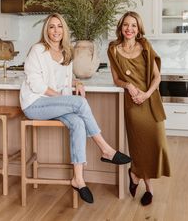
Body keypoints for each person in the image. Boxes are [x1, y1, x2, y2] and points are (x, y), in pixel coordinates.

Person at [20, 13, 131, 204]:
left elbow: (62, 79)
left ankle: (78, 179)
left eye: (59, 26)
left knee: (78, 122)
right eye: (51, 27)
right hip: (35, 104)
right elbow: (37, 84)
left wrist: (76, 82)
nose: (56, 31)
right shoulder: (38, 50)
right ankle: (106, 149)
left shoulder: (67, 53)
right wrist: (66, 99)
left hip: (53, 105)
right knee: (78, 103)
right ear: (46, 31)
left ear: (64, 29)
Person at [107, 11, 171, 206]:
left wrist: (146, 93)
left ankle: (134, 174)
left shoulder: (145, 46)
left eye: (133, 25)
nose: (129, 28)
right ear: (121, 27)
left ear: (138, 28)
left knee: (157, 143)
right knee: (140, 146)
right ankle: (148, 189)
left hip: (150, 100)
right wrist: (129, 86)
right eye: (126, 25)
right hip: (132, 103)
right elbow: (117, 79)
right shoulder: (114, 49)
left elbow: (157, 77)